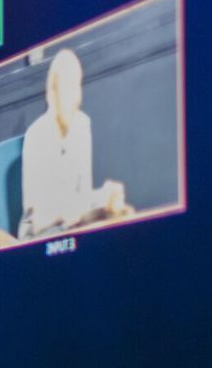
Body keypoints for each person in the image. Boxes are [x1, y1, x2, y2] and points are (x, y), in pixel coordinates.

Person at [19, 48, 132, 239]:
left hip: (73, 221)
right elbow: (40, 219)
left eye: (77, 85)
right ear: (52, 93)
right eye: (67, 86)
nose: (74, 96)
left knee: (125, 215)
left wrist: (106, 199)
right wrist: (84, 206)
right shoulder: (36, 136)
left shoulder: (82, 124)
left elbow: (83, 195)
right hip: (41, 231)